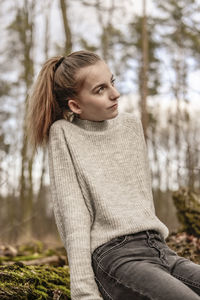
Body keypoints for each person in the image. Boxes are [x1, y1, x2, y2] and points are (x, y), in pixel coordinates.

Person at [26, 50, 200, 300]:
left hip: (160, 249)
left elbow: (142, 199)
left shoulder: (130, 126)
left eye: (113, 82)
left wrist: (161, 248)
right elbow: (73, 217)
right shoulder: (64, 134)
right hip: (116, 258)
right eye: (100, 89)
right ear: (75, 105)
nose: (115, 93)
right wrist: (84, 293)